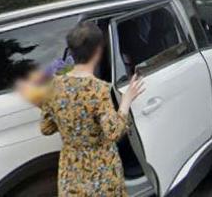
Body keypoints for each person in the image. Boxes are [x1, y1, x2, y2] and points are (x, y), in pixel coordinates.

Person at [38, 21, 146, 197]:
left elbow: (46, 128)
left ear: (71, 51)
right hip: (101, 171)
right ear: (98, 51)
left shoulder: (52, 86)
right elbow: (114, 132)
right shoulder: (98, 89)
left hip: (71, 170)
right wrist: (126, 100)